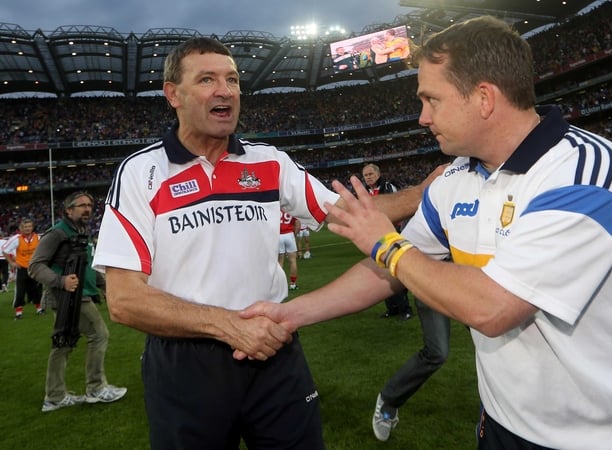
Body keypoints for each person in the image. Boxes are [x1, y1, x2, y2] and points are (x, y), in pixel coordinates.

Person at [241, 16, 612, 449]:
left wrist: (385, 243)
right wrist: (289, 315)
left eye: (431, 100)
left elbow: (495, 308)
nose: (422, 117)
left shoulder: (584, 172)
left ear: (483, 98)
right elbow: (389, 273)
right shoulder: (456, 178)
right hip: (503, 425)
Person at [92, 37, 432, 450]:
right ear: (173, 95)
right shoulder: (141, 173)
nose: (225, 91)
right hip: (187, 359)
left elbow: (349, 211)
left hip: (274, 347)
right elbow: (124, 300)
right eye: (207, 80)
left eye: (232, 80)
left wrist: (426, 192)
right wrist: (227, 325)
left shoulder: (268, 162)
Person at [28, 191, 127, 412]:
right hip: (69, 297)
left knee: (64, 343)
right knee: (99, 335)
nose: (87, 209)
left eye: (90, 205)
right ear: (68, 210)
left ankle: (54, 396)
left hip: (78, 295)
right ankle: (96, 388)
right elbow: (35, 266)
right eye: (81, 205)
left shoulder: (81, 231)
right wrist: (60, 281)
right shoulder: (57, 233)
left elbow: (87, 265)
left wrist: (103, 285)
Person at [372, 291, 451, 441]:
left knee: (491, 335)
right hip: (432, 283)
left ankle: (488, 416)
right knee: (437, 352)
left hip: (474, 281)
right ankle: (389, 400)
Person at [363, 163, 413, 321]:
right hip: (374, 236)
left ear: (378, 175)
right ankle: (392, 308)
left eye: (370, 174)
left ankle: (405, 308)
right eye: (365, 175)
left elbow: (398, 208)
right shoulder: (363, 192)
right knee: (381, 272)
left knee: (395, 270)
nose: (368, 177)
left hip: (392, 234)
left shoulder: (389, 187)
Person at [3, 218, 44, 319]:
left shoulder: (38, 238)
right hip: (22, 268)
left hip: (34, 268)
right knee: (20, 290)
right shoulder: (16, 239)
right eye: (25, 227)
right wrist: (11, 262)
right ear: (21, 228)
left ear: (32, 227)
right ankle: (19, 313)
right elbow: (5, 250)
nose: (27, 228)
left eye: (29, 226)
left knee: (37, 289)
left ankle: (39, 309)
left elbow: (44, 251)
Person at [279, 209, 300, 290]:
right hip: (289, 234)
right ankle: (293, 284)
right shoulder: (291, 209)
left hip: (279, 235)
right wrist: (294, 235)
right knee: (293, 261)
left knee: (280, 262)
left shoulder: (276, 208)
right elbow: (298, 224)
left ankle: (280, 285)